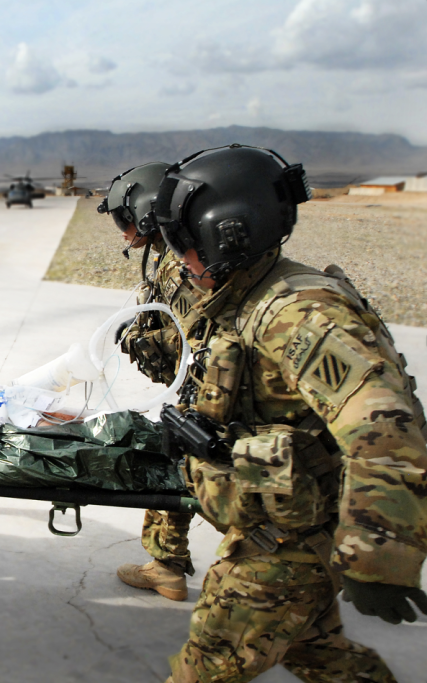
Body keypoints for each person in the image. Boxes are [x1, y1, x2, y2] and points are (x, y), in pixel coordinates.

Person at [153, 145, 427, 682]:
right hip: (279, 524)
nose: (180, 259)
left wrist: (376, 560)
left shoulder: (298, 315)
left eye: (186, 244)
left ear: (226, 235)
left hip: (290, 544)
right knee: (319, 656)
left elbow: (387, 430)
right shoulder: (250, 298)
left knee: (204, 668)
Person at [98, 162, 199, 601]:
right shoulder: (177, 253)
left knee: (171, 465)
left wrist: (141, 340)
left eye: (124, 220)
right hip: (204, 390)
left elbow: (194, 340)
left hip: (214, 391)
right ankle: (166, 565)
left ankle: (167, 567)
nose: (122, 232)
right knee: (174, 458)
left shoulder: (184, 265)